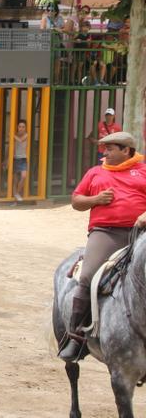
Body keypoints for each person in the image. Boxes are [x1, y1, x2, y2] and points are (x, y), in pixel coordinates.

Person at [58, 132, 146, 362]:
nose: (104, 153)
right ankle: (76, 338)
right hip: (107, 233)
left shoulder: (143, 171)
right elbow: (76, 200)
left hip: (142, 233)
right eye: (103, 149)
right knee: (87, 276)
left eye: (110, 149)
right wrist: (95, 200)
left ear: (126, 150)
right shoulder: (95, 173)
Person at [13, 120, 28, 202]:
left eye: (23, 127)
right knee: (15, 180)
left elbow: (21, 140)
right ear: (17, 127)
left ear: (25, 128)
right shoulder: (15, 135)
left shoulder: (26, 135)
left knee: (23, 176)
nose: (21, 128)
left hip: (23, 159)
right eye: (20, 126)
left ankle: (17, 194)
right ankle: (15, 198)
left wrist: (12, 135)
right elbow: (10, 148)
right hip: (15, 159)